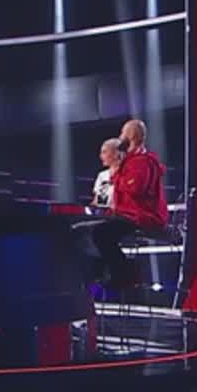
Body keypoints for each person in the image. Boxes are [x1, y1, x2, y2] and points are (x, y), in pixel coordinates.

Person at [74, 119, 167, 288]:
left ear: (131, 135)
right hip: (126, 215)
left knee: (101, 233)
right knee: (85, 230)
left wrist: (117, 178)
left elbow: (135, 188)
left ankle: (122, 275)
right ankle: (99, 275)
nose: (120, 136)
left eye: (123, 132)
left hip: (141, 216)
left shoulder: (141, 161)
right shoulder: (131, 162)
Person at [91, 137, 123, 209]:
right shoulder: (102, 175)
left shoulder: (128, 173)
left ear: (116, 153)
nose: (101, 156)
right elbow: (100, 202)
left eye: (104, 152)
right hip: (107, 213)